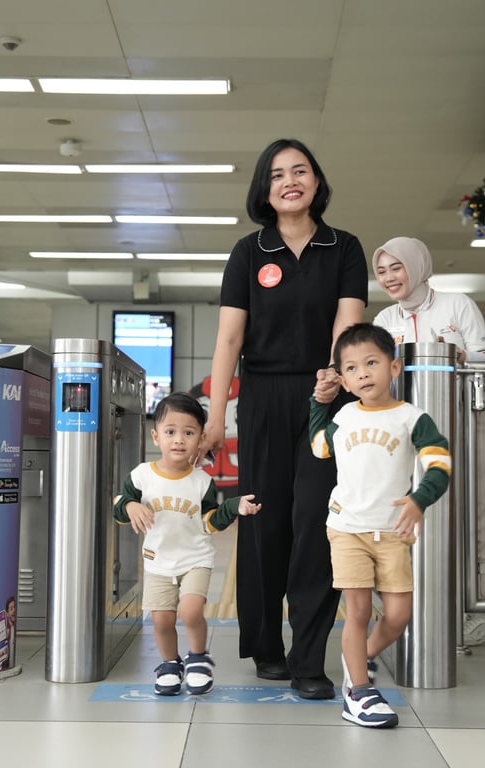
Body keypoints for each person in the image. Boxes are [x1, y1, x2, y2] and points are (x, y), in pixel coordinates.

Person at [201, 138, 367, 700]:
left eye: (300, 171)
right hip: (264, 397)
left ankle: (309, 659)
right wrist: (216, 417)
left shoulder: (343, 247)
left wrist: (334, 374)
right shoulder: (249, 252)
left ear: (317, 181)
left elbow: (348, 325)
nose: (289, 181)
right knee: (264, 519)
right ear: (264, 190)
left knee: (318, 522)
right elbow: (229, 340)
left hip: (327, 397)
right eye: (276, 175)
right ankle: (266, 645)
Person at [309, 323, 451, 728]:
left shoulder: (412, 418)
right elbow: (319, 448)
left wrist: (420, 499)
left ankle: (361, 655)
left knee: (398, 615)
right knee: (357, 612)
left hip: (392, 532)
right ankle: (358, 692)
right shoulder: (344, 416)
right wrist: (318, 403)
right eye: (352, 368)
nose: (363, 373)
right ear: (343, 380)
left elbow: (440, 463)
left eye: (372, 362)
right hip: (347, 528)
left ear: (394, 367)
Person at [370, 235, 485, 647]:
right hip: (406, 432)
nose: (389, 278)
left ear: (418, 266)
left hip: (463, 423)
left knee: (474, 514)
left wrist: (458, 355)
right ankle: (400, 611)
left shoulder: (457, 305)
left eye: (397, 267)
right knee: (399, 512)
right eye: (382, 271)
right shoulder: (384, 319)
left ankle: (480, 611)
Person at [114, 392, 261, 696]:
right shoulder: (141, 476)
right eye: (170, 432)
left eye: (189, 433)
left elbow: (209, 522)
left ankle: (197, 658)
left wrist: (232, 507)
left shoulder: (202, 481)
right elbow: (118, 506)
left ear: (201, 438)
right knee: (162, 620)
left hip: (196, 559)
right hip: (157, 561)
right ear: (156, 436)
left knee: (191, 612)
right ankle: (170, 663)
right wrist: (129, 505)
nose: (179, 440)